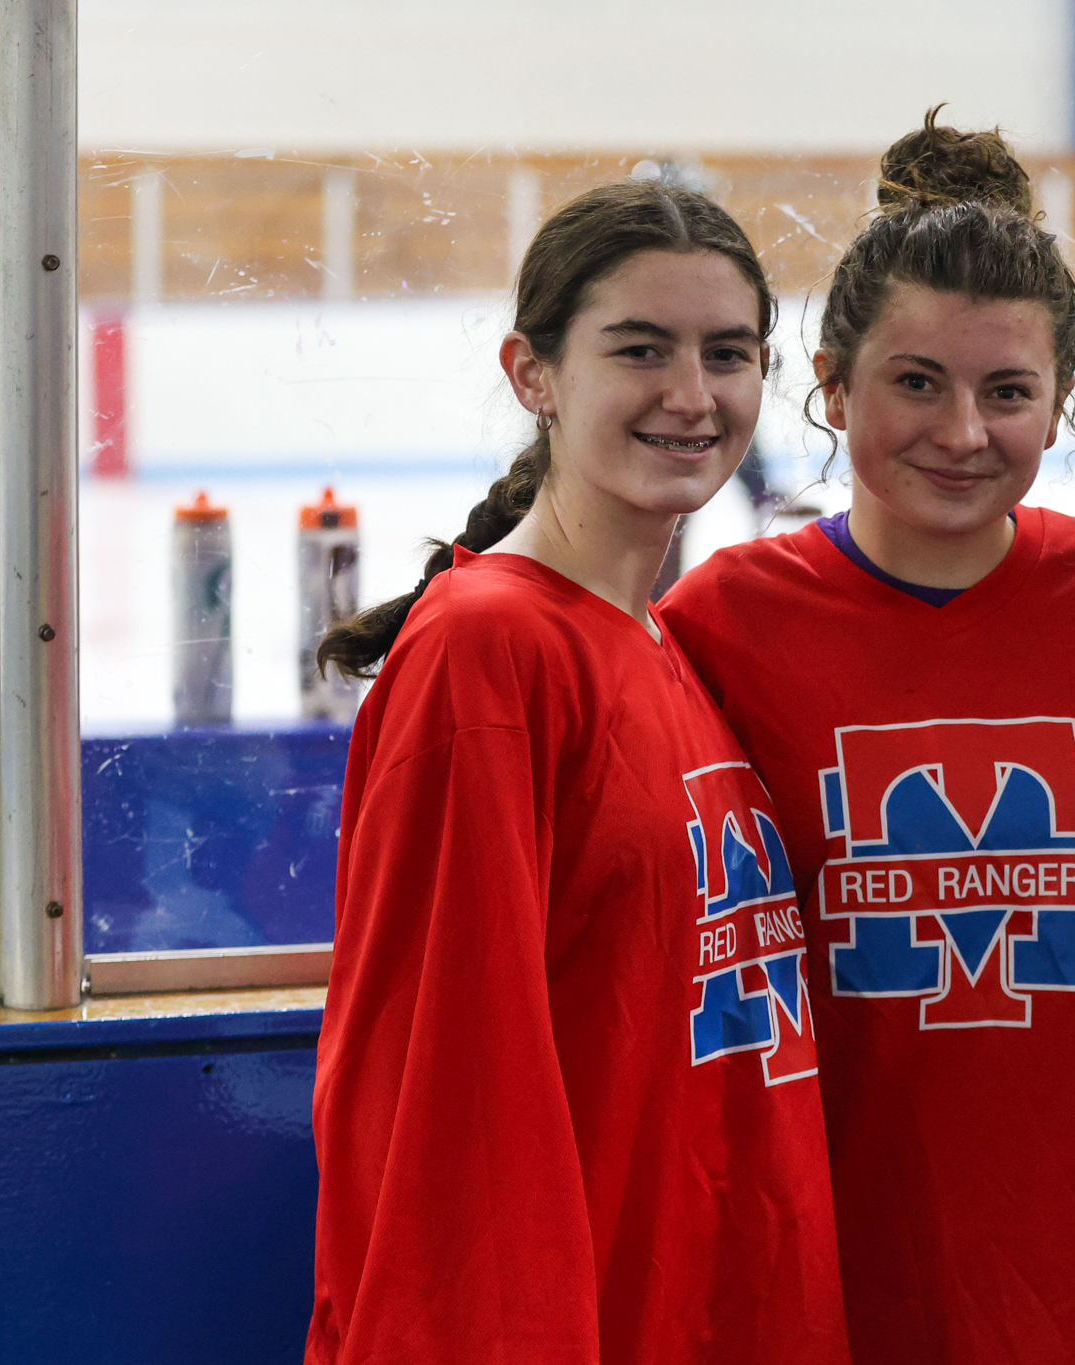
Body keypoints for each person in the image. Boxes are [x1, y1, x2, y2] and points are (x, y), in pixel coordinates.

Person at [660, 111, 1075, 1364]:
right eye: (915, 382)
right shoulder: (719, 625)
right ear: (832, 385)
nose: (963, 432)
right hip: (824, 1280)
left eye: (1007, 391)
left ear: (1059, 403)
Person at [307, 180, 849, 1365]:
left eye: (728, 353)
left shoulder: (662, 643)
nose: (692, 395)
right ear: (532, 373)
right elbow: (448, 1094)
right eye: (639, 350)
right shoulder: (486, 651)